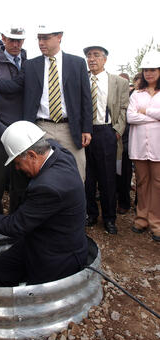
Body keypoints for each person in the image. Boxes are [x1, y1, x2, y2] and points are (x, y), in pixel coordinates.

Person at [0, 101, 88, 286]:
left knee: (35, 295)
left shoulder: (47, 187)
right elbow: (19, 142)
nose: (17, 168)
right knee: (1, 267)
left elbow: (15, 225)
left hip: (58, 256)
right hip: (44, 236)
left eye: (17, 162)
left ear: (33, 155)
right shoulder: (56, 151)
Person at [0, 25, 93, 181]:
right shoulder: (31, 65)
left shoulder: (77, 63)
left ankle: (74, 205)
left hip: (70, 129)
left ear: (59, 36)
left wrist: (86, 128)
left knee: (76, 173)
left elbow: (86, 98)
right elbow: (14, 85)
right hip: (41, 129)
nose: (41, 42)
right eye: (39, 38)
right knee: (41, 175)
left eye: (45, 38)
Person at [83, 45, 129, 234]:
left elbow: (125, 108)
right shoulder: (82, 79)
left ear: (105, 59)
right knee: (87, 178)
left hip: (107, 132)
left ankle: (109, 218)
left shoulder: (118, 82)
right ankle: (91, 214)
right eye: (88, 55)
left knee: (108, 179)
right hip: (84, 132)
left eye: (96, 55)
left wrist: (116, 131)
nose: (91, 59)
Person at [0, 27, 27, 213]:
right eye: (11, 40)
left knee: (21, 178)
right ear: (3, 38)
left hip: (24, 129)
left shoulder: (30, 63)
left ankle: (17, 219)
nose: (16, 44)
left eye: (20, 40)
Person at [127, 51, 160, 242]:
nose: (149, 73)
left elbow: (139, 115)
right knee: (142, 182)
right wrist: (154, 117)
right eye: (146, 70)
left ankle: (156, 223)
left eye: (153, 70)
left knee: (157, 184)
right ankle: (141, 219)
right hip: (139, 146)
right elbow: (131, 117)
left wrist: (145, 111)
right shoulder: (136, 94)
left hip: (157, 147)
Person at [116, 72, 133, 215]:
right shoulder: (114, 99)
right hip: (113, 142)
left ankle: (124, 202)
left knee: (125, 176)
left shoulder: (133, 100)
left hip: (126, 144)